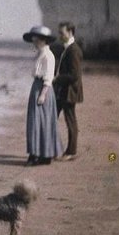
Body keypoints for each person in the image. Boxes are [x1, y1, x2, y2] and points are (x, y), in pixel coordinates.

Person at [23, 25, 62, 166]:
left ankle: (42, 155)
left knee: (41, 121)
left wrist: (43, 94)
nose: (33, 40)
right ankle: (38, 154)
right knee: (36, 122)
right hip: (37, 87)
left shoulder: (48, 56)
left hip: (43, 89)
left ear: (42, 40)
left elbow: (49, 77)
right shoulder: (40, 54)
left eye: (36, 38)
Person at [52, 22, 84, 160]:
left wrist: (57, 78)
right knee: (52, 117)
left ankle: (71, 152)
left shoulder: (74, 50)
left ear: (70, 32)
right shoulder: (68, 48)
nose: (60, 36)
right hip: (63, 90)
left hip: (70, 91)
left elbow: (74, 75)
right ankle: (53, 149)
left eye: (62, 33)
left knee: (70, 120)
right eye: (59, 33)